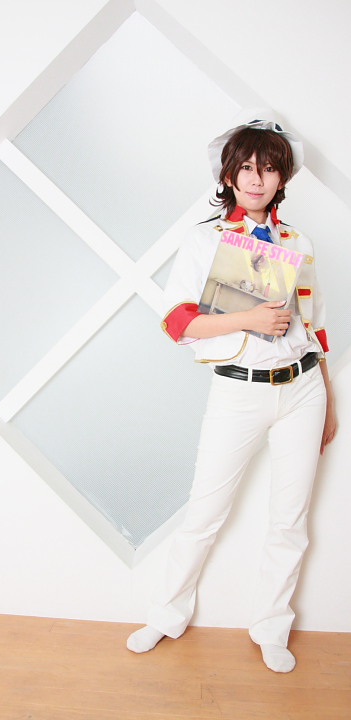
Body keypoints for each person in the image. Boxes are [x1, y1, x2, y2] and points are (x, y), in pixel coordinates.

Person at [126, 112, 337, 673]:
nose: (256, 178)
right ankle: (166, 615)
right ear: (228, 175)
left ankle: (271, 627)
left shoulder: (299, 242)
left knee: (290, 520)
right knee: (205, 512)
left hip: (303, 390)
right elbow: (177, 322)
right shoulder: (205, 240)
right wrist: (249, 319)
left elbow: (315, 329)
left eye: (268, 168)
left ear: (283, 178)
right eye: (245, 167)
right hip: (238, 392)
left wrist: (328, 402)